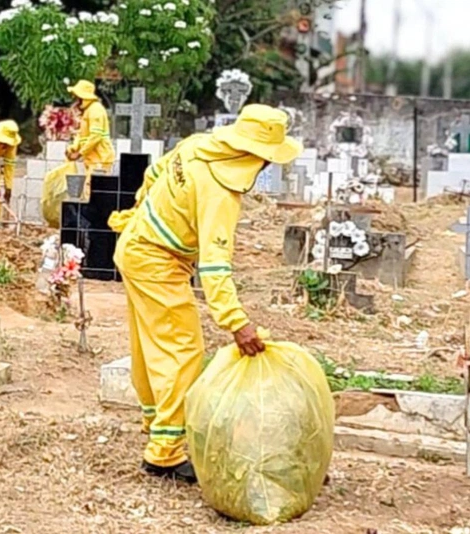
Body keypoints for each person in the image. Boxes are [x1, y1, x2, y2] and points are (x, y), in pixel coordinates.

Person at [113, 104, 303, 484]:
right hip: (158, 263)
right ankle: (165, 453)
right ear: (257, 157)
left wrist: (139, 212)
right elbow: (214, 266)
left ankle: (156, 423)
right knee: (181, 351)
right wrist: (237, 323)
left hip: (135, 245)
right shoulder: (220, 192)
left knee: (150, 346)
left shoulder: (198, 145)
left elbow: (153, 174)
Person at [41, 80, 116, 227]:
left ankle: (95, 226)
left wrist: (79, 153)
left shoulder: (95, 110)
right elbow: (83, 136)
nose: (75, 99)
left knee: (93, 192)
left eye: (77, 96)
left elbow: (96, 136)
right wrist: (73, 149)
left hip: (100, 159)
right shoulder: (89, 111)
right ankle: (90, 225)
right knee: (88, 191)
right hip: (92, 159)